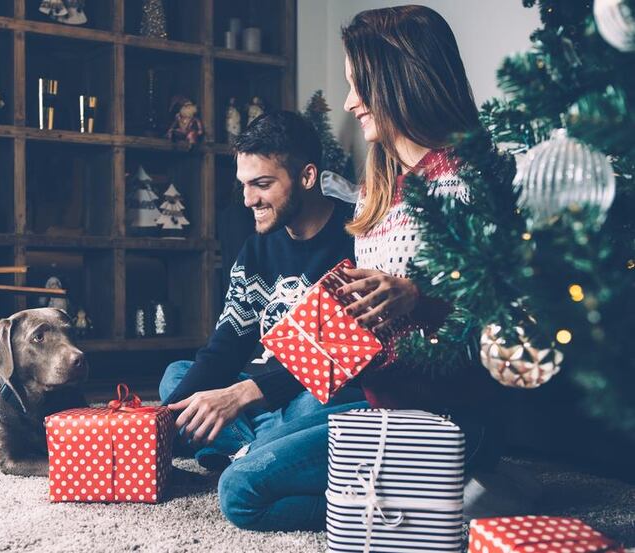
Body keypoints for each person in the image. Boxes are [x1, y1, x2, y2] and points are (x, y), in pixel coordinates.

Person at [214, 5, 506, 532]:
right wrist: (298, 348)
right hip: (377, 405)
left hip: (445, 420)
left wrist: (417, 298)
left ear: (400, 82)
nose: (350, 102)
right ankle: (424, 493)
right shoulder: (379, 191)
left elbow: (497, 316)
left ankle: (433, 509)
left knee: (241, 493)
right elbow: (358, 331)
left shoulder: (471, 180)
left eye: (359, 86)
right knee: (253, 441)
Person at [159, 110, 367, 472]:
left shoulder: (357, 241)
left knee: (318, 405)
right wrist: (159, 424)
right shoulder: (257, 249)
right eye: (244, 184)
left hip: (310, 393)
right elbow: (227, 345)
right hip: (261, 397)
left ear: (307, 176)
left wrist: (242, 396)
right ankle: (256, 451)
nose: (248, 199)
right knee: (176, 376)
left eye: (262, 184)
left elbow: (346, 359)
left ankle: (240, 448)